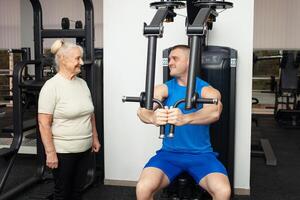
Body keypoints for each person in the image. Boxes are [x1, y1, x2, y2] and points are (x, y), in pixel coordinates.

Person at [136, 45, 231, 200]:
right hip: (169, 155)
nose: (170, 62)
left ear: (189, 62)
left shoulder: (207, 90)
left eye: (175, 58)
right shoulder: (163, 89)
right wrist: (152, 117)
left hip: (201, 156)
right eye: (169, 58)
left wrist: (185, 118)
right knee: (143, 188)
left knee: (223, 191)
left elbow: (214, 112)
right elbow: (142, 110)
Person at [38, 40, 101, 200]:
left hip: (84, 148)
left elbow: (90, 114)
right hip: (63, 151)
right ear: (63, 60)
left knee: (78, 191)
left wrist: (94, 137)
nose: (81, 62)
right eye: (77, 59)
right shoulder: (51, 87)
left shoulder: (82, 84)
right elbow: (44, 123)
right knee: (63, 192)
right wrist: (50, 152)